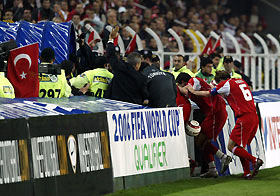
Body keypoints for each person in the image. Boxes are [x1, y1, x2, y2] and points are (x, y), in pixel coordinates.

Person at [187, 70, 264, 180]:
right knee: (240, 147)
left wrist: (193, 92)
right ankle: (247, 172)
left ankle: (254, 160)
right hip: (254, 116)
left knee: (231, 146)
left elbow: (209, 93)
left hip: (244, 118)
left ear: (221, 81)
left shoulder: (225, 84)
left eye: (218, 83)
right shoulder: (240, 80)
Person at [178, 73, 231, 178]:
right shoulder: (197, 83)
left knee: (200, 140)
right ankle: (212, 169)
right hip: (213, 112)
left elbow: (186, 90)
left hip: (215, 112)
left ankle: (223, 157)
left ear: (183, 82)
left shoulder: (193, 81)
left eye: (180, 84)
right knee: (202, 141)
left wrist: (175, 87)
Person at [106, 26, 149, 105]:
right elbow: (145, 97)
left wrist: (111, 39)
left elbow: (110, 54)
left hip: (114, 106)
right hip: (131, 110)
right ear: (137, 64)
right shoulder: (141, 78)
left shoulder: (119, 67)